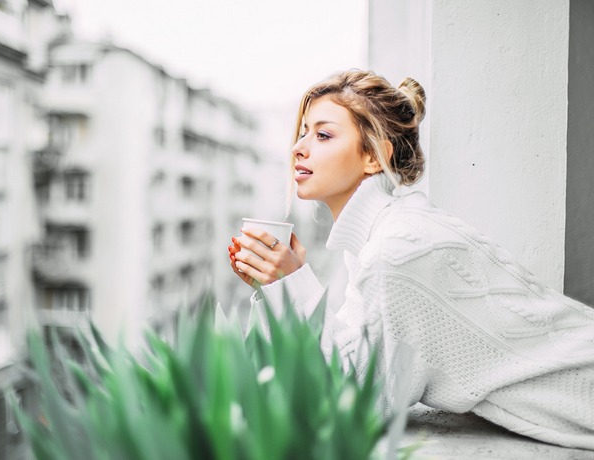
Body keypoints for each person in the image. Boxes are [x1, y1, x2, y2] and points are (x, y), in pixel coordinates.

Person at [227, 70, 594, 450]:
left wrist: (293, 285)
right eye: (303, 132)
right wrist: (277, 286)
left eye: (322, 135)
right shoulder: (384, 238)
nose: (298, 148)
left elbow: (358, 403)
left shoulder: (395, 250)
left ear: (373, 156)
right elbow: (352, 356)